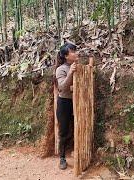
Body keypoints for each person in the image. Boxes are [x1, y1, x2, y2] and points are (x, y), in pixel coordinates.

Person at [54, 42, 79, 170]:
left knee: (78, 127)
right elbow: (62, 87)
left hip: (78, 102)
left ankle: (78, 154)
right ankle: (62, 158)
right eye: (72, 51)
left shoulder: (77, 67)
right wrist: (70, 74)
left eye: (75, 51)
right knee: (64, 131)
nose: (75, 53)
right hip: (64, 103)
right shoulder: (61, 69)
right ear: (65, 56)